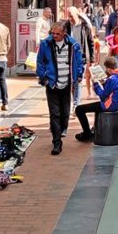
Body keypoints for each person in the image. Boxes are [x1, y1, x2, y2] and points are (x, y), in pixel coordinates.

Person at [36, 21, 84, 155]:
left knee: (65, 113)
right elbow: (40, 62)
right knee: (54, 113)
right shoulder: (46, 44)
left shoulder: (73, 44)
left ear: (64, 33)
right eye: (53, 33)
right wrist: (44, 78)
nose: (54, 36)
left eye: (57, 33)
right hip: (52, 84)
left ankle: (62, 129)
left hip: (67, 83)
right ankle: (57, 142)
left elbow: (79, 61)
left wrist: (79, 75)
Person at [74, 57, 118, 141]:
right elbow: (113, 91)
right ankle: (94, 129)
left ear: (108, 68)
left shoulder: (112, 79)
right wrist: (104, 84)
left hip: (109, 106)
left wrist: (96, 84)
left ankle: (87, 134)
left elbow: (103, 96)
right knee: (96, 107)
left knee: (79, 109)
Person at [68, 6, 96, 105]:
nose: (70, 18)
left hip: (81, 57)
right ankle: (74, 100)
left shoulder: (85, 26)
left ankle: (76, 104)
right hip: (69, 57)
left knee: (78, 80)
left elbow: (91, 42)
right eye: (68, 16)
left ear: (77, 15)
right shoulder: (67, 26)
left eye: (71, 16)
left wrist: (92, 59)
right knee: (71, 81)